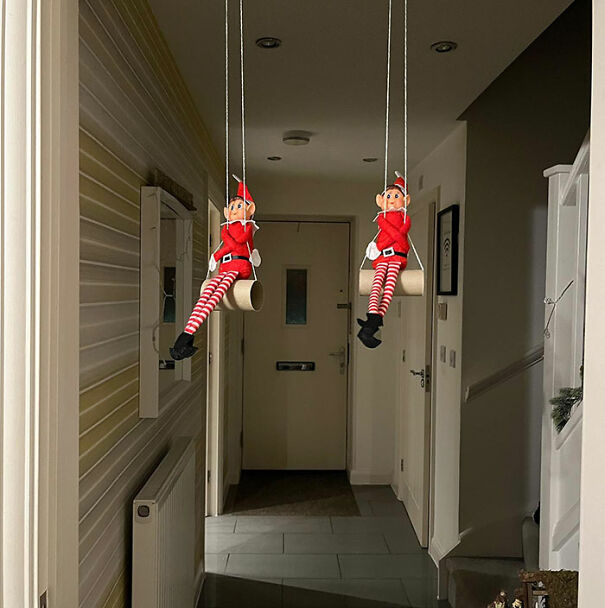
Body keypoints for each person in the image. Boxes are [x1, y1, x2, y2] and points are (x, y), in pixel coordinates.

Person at [170, 179, 260, 360]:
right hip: (225, 268)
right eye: (232, 207)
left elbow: (238, 243)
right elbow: (228, 245)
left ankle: (187, 336)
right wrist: (216, 257)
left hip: (238, 268)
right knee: (205, 296)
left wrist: (219, 252)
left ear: (250, 210)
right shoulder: (226, 229)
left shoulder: (246, 227)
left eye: (239, 206)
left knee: (215, 295)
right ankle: (186, 335)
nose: (234, 210)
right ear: (226, 212)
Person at [358, 173, 411, 348]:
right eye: (388, 196)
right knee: (377, 285)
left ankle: (370, 326)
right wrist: (386, 246)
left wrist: (380, 246)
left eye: (396, 196)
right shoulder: (382, 218)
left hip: (395, 257)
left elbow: (400, 235)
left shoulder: (405, 218)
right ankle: (373, 320)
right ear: (380, 201)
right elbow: (396, 236)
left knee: (389, 288)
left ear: (406, 200)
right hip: (384, 257)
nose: (392, 200)